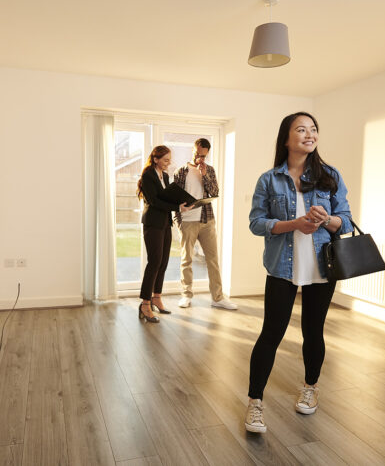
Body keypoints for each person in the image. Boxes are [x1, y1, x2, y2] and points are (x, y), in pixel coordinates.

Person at [244, 112, 352, 433]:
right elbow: (255, 222)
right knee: (271, 334)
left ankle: (310, 386)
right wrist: (294, 224)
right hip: (282, 267)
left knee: (313, 331)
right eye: (301, 129)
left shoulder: (330, 175)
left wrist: (327, 219)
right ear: (287, 138)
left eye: (314, 129)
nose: (309, 134)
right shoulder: (269, 179)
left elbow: (344, 220)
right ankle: (255, 403)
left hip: (322, 265)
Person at [173, 138, 237, 310]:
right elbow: (174, 198)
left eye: (203, 156)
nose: (200, 158)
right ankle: (186, 295)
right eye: (197, 154)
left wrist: (205, 175)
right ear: (193, 150)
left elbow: (215, 192)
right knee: (187, 260)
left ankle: (217, 298)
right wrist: (178, 220)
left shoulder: (209, 170)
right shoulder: (181, 172)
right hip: (187, 221)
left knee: (213, 260)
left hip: (207, 220)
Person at [136, 145, 189, 323]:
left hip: (165, 222)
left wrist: (181, 201)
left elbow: (165, 197)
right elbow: (154, 201)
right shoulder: (148, 175)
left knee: (164, 262)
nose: (168, 163)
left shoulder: (164, 176)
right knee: (154, 262)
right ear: (156, 159)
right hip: (152, 224)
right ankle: (145, 304)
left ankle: (156, 297)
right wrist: (176, 207)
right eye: (165, 160)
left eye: (169, 160)